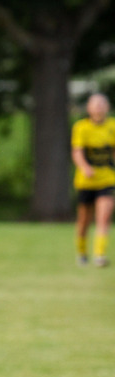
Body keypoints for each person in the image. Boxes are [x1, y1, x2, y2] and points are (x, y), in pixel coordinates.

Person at [70, 93, 115, 267]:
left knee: (103, 217)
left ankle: (99, 255)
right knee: (83, 221)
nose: (99, 107)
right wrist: (85, 167)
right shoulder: (81, 127)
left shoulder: (112, 126)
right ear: (88, 108)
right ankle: (82, 253)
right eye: (95, 104)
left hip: (107, 179)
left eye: (102, 104)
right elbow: (77, 151)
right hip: (86, 181)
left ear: (107, 107)